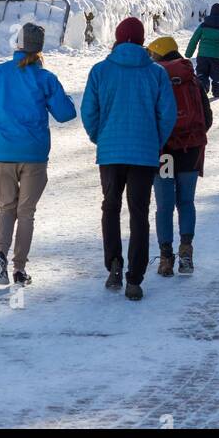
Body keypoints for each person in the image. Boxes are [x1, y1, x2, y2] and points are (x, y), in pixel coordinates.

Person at [80, 17, 177, 301]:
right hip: (144, 155)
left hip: (110, 153)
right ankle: (134, 279)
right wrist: (153, 141)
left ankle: (113, 266)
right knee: (139, 213)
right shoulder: (156, 73)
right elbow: (167, 114)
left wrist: (101, 137)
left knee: (110, 207)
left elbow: (89, 111)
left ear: (119, 38)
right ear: (143, 39)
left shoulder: (100, 71)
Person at [0, 22, 76, 287]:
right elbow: (66, 114)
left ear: (18, 45)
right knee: (26, 212)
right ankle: (19, 268)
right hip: (34, 154)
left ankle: (0, 255)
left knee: (7, 208)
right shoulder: (46, 78)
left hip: (3, 152)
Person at [148, 35, 213, 277]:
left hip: (165, 152)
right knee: (186, 202)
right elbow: (207, 118)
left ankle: (166, 258)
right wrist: (191, 138)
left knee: (164, 205)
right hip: (191, 150)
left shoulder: (155, 78)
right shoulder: (191, 78)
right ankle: (186, 252)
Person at [184, 2, 219, 98]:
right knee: (217, 74)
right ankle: (218, 91)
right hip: (215, 57)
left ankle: (202, 88)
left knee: (201, 73)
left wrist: (189, 53)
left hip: (202, 56)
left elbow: (194, 40)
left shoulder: (203, 26)